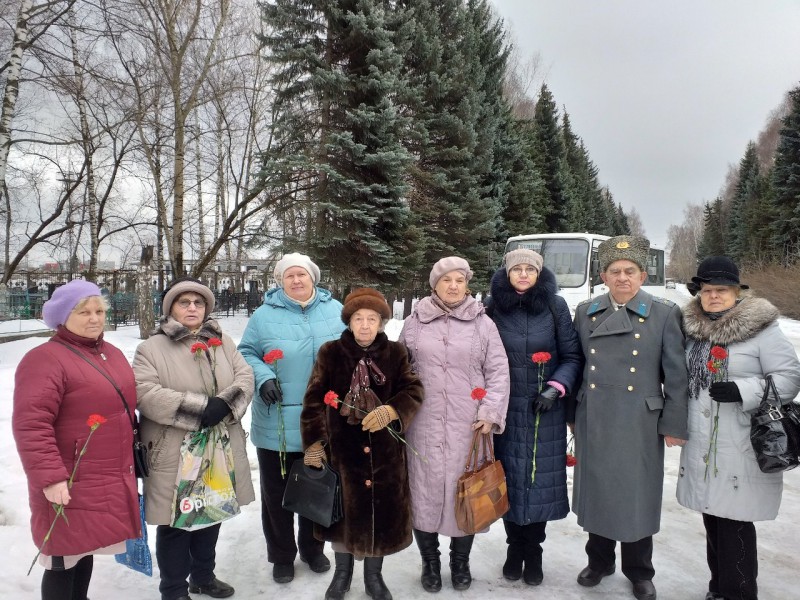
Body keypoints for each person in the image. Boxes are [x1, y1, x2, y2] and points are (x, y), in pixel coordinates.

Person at [571, 235, 688, 600]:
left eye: (630, 271)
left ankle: (639, 570)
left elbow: (677, 376)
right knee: (599, 489)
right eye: (615, 271)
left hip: (641, 420)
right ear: (604, 276)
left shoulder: (664, 312)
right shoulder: (586, 311)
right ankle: (600, 561)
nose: (623, 278)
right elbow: (577, 366)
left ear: (642, 275)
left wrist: (674, 424)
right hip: (596, 416)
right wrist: (572, 413)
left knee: (636, 495)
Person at [677, 256, 800, 600]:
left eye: (722, 290)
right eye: (707, 290)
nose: (714, 296)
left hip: (741, 439)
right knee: (714, 519)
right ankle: (719, 587)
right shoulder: (693, 331)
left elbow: (789, 378)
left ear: (737, 292)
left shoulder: (762, 329)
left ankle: (740, 592)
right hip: (705, 441)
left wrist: (743, 390)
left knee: (735, 521)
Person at [13, 280, 141, 600]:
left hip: (106, 475)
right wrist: (51, 478)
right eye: (84, 311)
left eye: (99, 310)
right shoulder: (45, 359)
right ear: (62, 317)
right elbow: (32, 424)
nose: (94, 318)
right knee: (62, 558)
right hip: (69, 478)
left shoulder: (110, 354)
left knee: (84, 549)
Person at [133, 277, 255, 600]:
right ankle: (173, 589)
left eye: (198, 303)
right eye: (183, 302)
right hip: (174, 452)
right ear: (170, 307)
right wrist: (200, 409)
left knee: (211, 512)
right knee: (177, 522)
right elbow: (145, 393)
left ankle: (202, 576)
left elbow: (245, 376)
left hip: (219, 448)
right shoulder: (151, 348)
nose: (192, 308)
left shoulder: (223, 342)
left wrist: (225, 405)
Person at [301, 288, 424, 600]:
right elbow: (314, 400)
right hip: (343, 453)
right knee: (343, 513)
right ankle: (342, 574)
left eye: (372, 319)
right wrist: (315, 443)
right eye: (359, 319)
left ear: (382, 323)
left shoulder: (396, 354)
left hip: (385, 455)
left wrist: (392, 409)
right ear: (349, 322)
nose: (366, 325)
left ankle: (374, 577)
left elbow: (414, 389)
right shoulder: (330, 353)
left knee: (378, 515)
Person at [399, 256, 510, 593]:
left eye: (459, 280)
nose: (453, 286)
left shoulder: (483, 323)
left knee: (468, 491)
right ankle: (429, 562)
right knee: (424, 492)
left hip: (469, 425)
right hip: (424, 423)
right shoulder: (414, 322)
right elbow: (399, 370)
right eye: (446, 280)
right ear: (434, 285)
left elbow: (498, 370)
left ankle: (460, 563)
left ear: (467, 285)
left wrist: (490, 412)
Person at [238, 252, 345, 583]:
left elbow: (352, 348)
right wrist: (262, 376)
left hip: (323, 419)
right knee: (277, 494)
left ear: (313, 277)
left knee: (317, 488)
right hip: (277, 421)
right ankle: (282, 555)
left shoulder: (335, 310)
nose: (296, 280)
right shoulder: (263, 315)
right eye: (289, 276)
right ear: (280, 281)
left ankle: (312, 550)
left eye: (302, 274)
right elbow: (245, 352)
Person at [485, 249, 582, 586]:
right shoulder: (492, 307)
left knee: (539, 481)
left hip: (545, 409)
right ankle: (514, 548)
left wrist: (555, 388)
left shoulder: (555, 307)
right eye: (517, 269)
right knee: (508, 479)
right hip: (506, 411)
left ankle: (534, 551)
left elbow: (572, 356)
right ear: (507, 273)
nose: (523, 274)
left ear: (539, 274)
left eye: (530, 269)